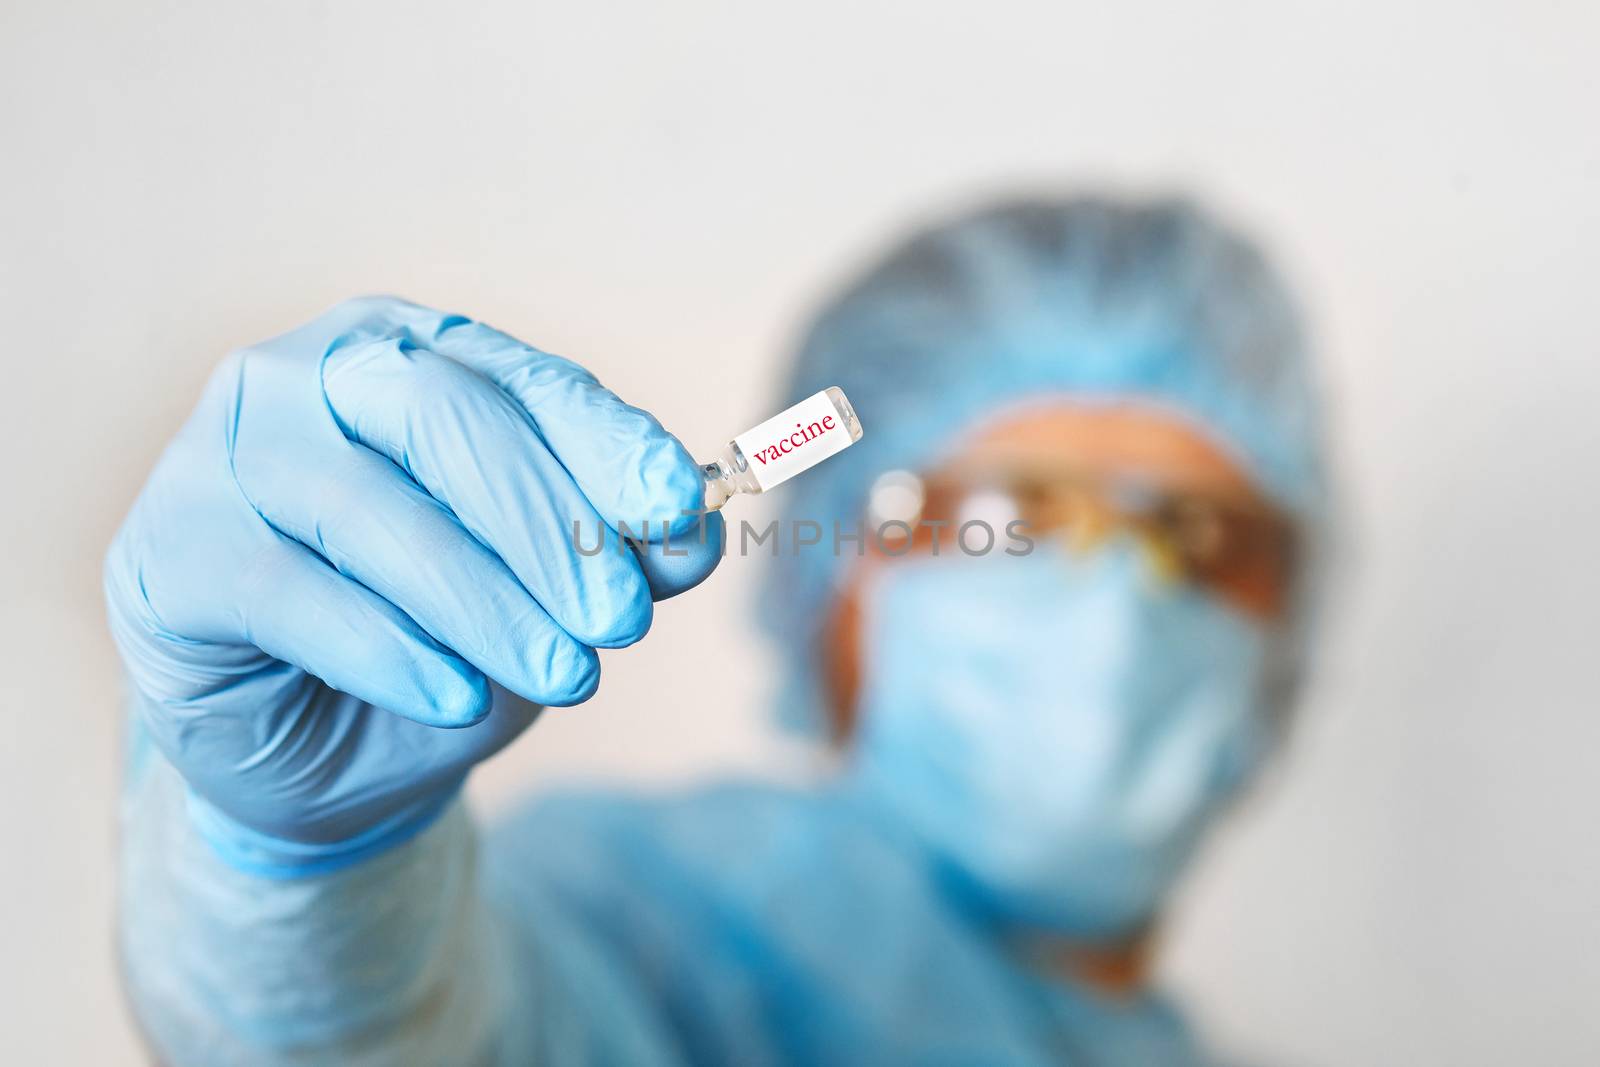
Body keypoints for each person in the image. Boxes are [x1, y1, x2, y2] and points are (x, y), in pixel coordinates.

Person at [107, 195, 1326, 1065]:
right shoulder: (665, 929)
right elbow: (375, 1039)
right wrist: (305, 854)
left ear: (1283, 650)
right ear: (834, 594)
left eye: (1202, 538)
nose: (1109, 601)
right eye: (1004, 515)